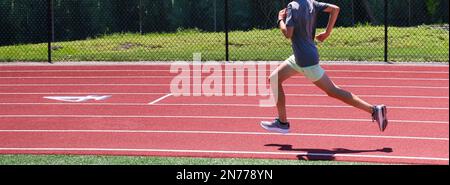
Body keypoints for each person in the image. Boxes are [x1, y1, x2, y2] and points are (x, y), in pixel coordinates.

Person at [260, 0, 388, 134]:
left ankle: (374, 110)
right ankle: (282, 122)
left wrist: (280, 20)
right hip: (300, 57)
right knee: (274, 79)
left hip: (305, 60)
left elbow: (288, 34)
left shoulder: (292, 6)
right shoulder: (311, 3)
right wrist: (327, 33)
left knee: (333, 91)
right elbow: (335, 9)